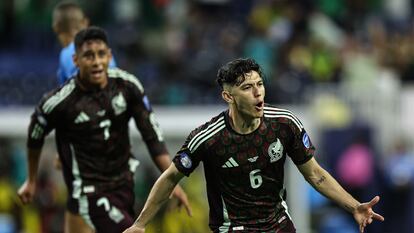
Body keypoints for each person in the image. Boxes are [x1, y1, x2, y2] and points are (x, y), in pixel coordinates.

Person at [123, 58, 384, 233]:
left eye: (259, 84)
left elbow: (315, 174)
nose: (258, 92)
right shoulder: (208, 138)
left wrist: (354, 206)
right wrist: (140, 224)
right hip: (233, 229)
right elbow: (169, 178)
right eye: (247, 87)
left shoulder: (284, 124)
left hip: (278, 224)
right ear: (228, 96)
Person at [17, 26, 191, 233]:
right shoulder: (59, 102)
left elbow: (152, 136)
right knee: (131, 230)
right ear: (76, 60)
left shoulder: (128, 86)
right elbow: (35, 134)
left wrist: (170, 180)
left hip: (123, 183)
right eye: (89, 56)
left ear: (109, 56)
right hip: (89, 190)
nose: (97, 62)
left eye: (101, 54)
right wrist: (31, 180)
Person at [52, 1, 116, 85]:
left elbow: (89, 89)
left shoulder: (69, 53)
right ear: (85, 22)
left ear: (56, 27)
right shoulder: (103, 50)